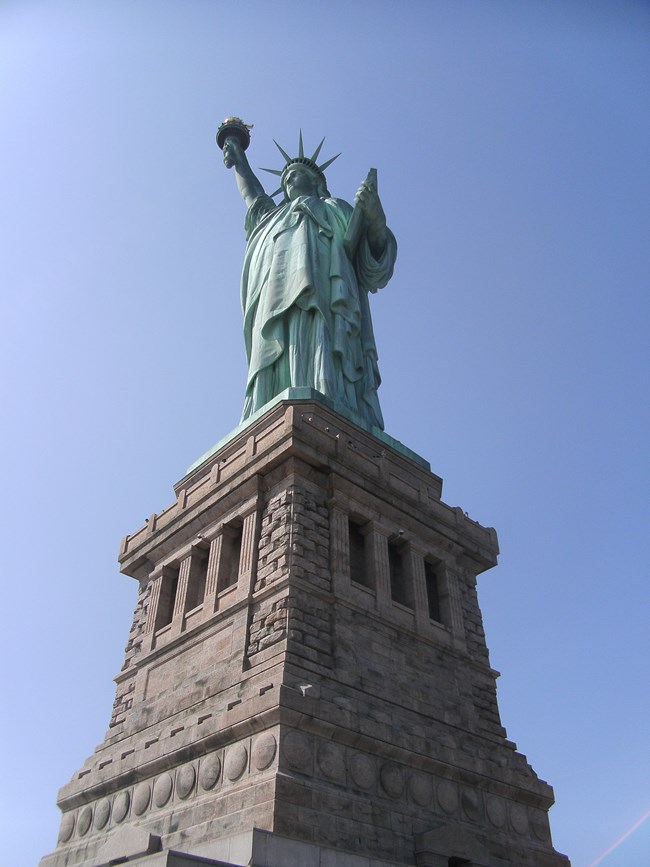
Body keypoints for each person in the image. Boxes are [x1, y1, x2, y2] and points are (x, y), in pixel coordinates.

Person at [223, 133, 397, 430]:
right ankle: (270, 409)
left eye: (297, 174)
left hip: (327, 300)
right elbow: (252, 195)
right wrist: (239, 158)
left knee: (321, 344)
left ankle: (329, 395)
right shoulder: (272, 218)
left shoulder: (335, 209)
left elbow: (372, 264)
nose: (289, 180)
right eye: (286, 178)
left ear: (317, 182)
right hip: (275, 303)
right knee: (278, 351)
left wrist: (376, 220)